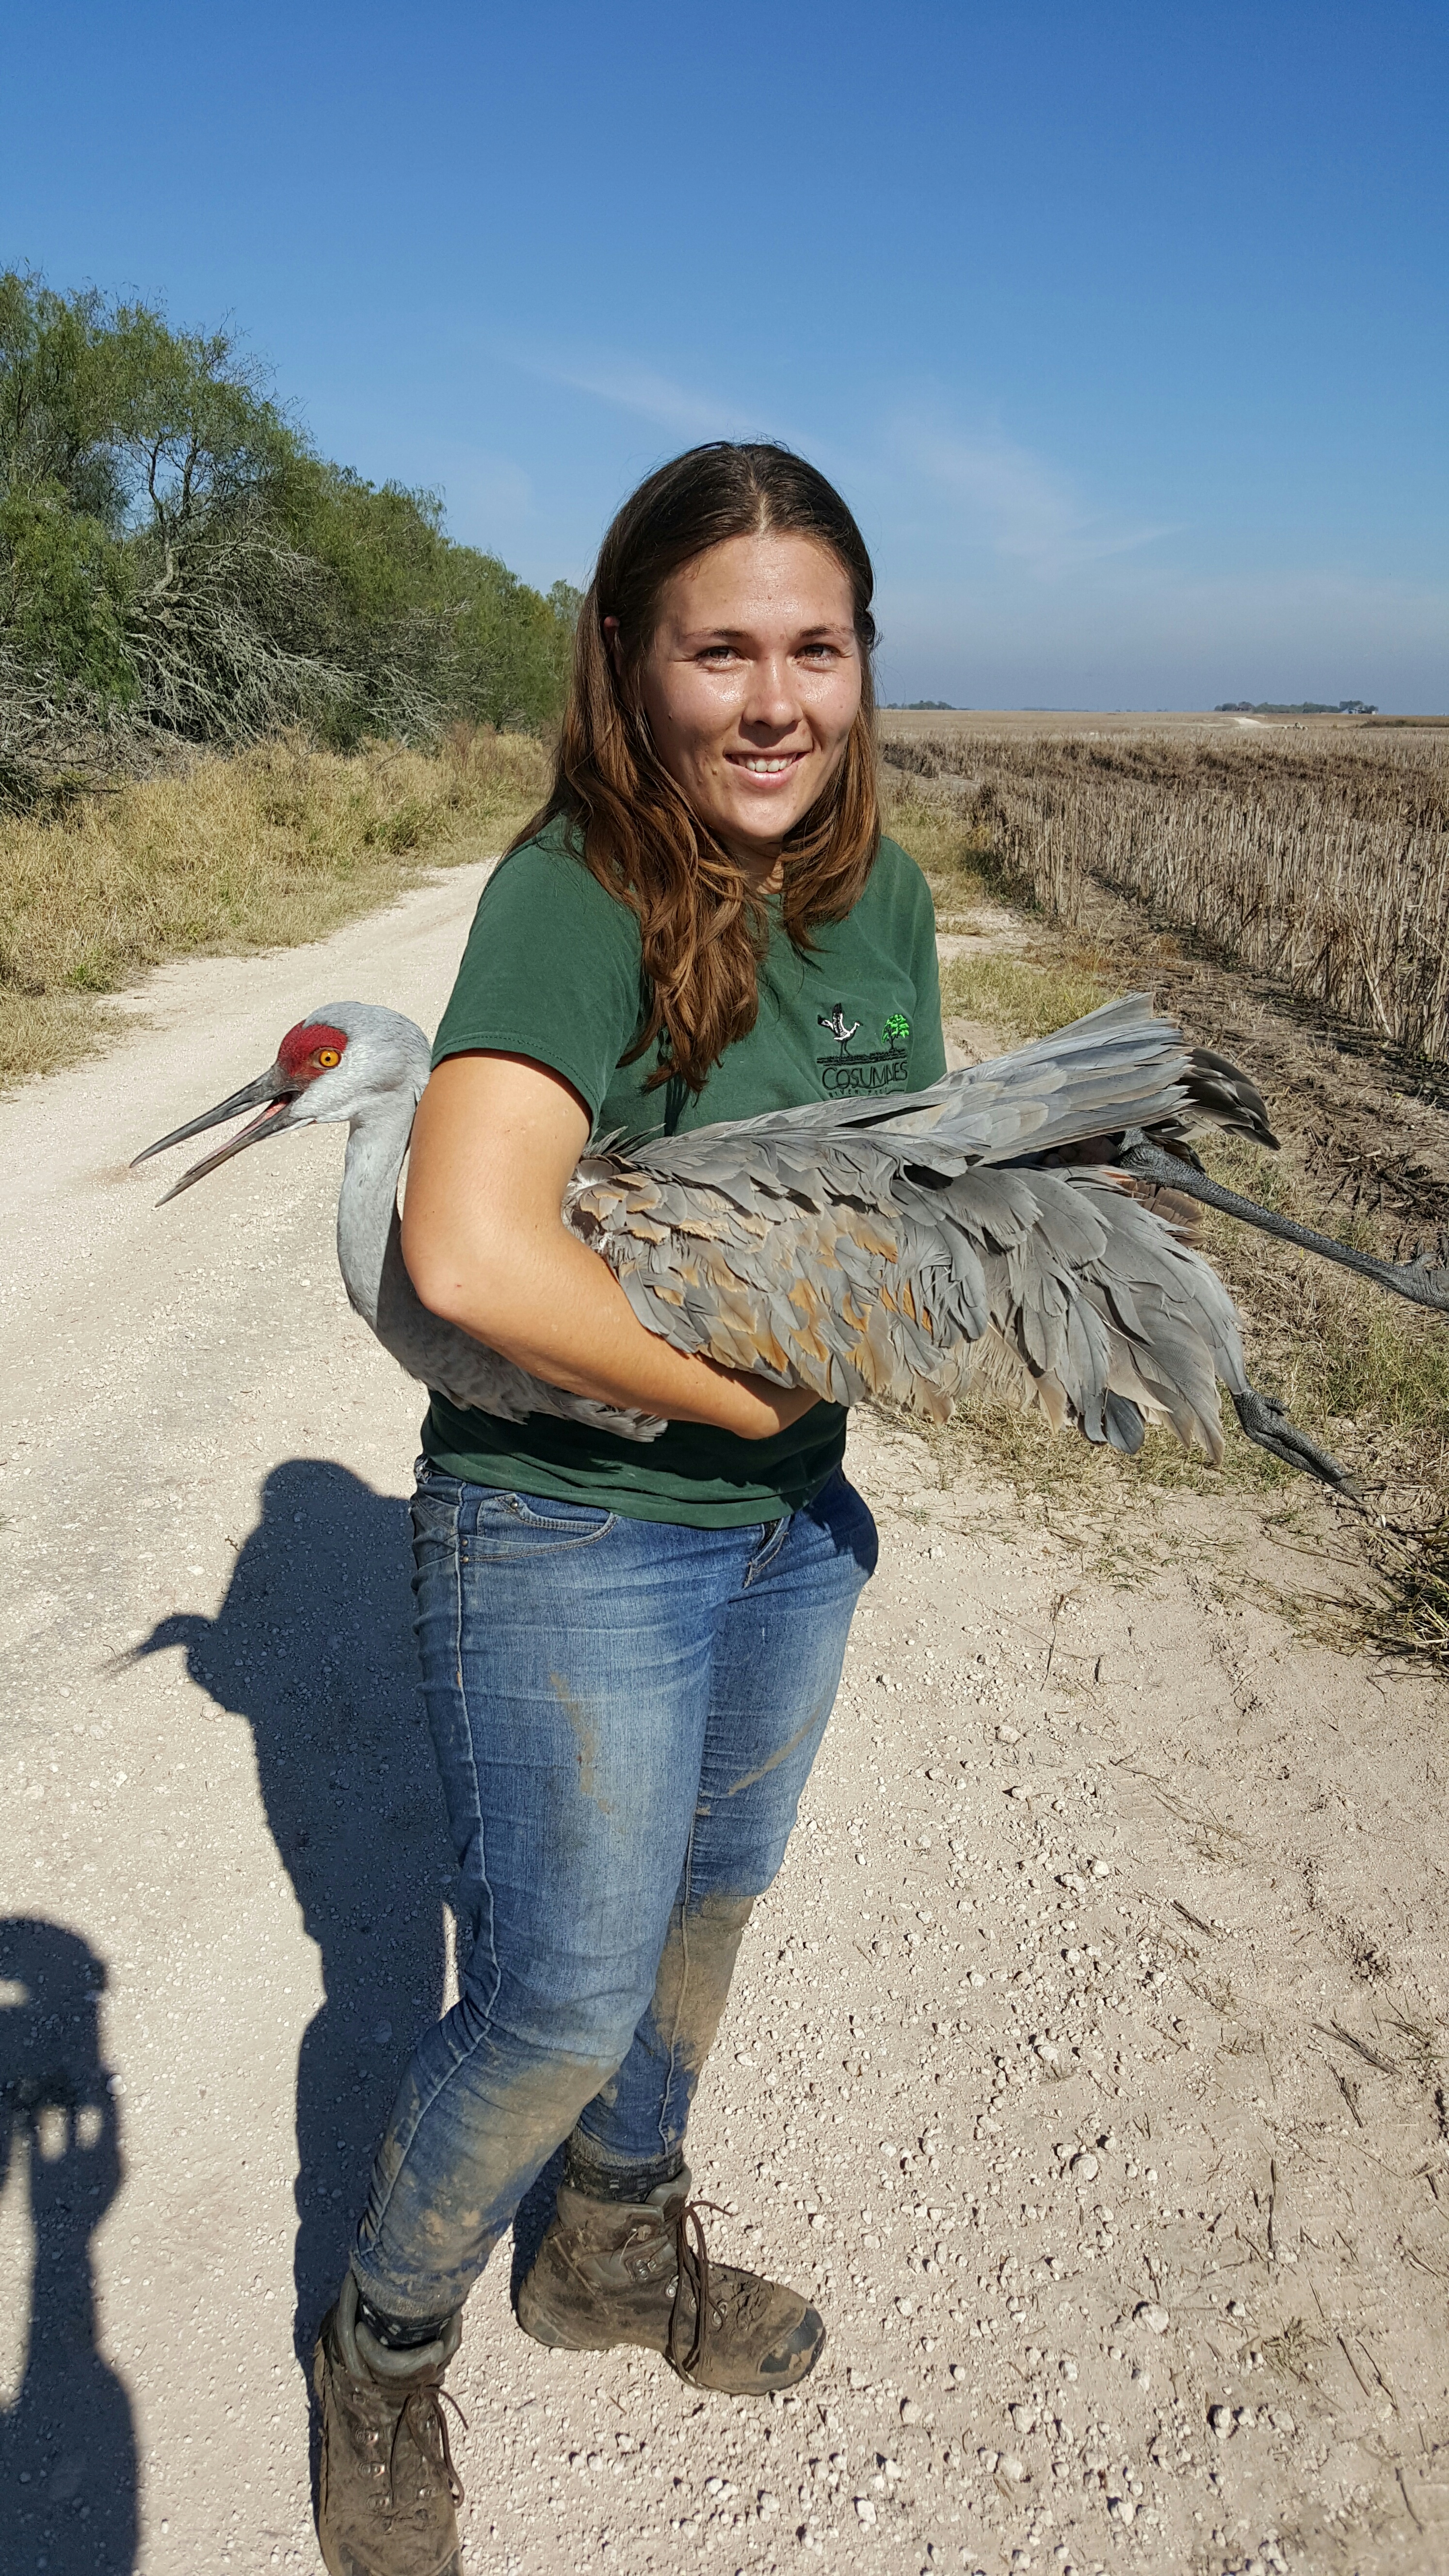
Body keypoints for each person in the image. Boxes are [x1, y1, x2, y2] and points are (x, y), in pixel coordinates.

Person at [311, 441, 947, 2576]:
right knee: (561, 1992)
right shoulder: (571, 894)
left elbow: (892, 1188)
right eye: (722, 649)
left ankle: (608, 2242)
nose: (774, 697)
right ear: (631, 662)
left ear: (863, 662)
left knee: (702, 1916)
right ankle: (382, 2346)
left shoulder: (881, 896)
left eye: (816, 646)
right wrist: (734, 1399)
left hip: (794, 1531)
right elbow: (478, 1252)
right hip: (571, 1520)